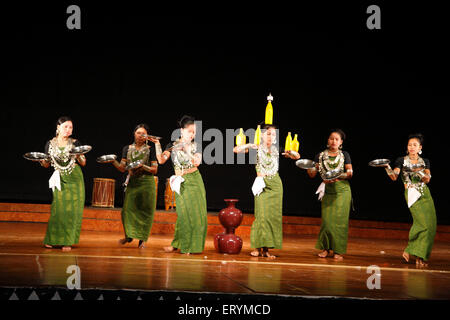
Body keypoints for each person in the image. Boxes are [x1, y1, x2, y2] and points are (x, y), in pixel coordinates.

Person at [233, 123, 300, 258]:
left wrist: (290, 152)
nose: (271, 137)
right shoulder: (256, 148)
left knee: (272, 218)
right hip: (262, 184)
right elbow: (236, 150)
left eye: (274, 134)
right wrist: (249, 145)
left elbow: (296, 156)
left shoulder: (277, 149)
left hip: (275, 185)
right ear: (261, 134)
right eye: (268, 133)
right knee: (261, 216)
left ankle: (267, 250)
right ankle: (257, 248)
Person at [154, 115, 207, 255]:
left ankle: (190, 246)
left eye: (194, 132)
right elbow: (161, 160)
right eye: (189, 131)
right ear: (182, 131)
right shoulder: (172, 145)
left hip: (194, 180)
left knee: (196, 214)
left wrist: (188, 151)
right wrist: (157, 144)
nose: (192, 134)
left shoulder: (196, 146)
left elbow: (197, 162)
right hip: (180, 181)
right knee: (183, 214)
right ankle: (178, 243)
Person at [383, 133, 436, 267]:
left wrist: (419, 171)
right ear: (407, 147)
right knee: (422, 224)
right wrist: (386, 167)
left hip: (425, 193)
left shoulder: (425, 161)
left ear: (420, 147)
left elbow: (427, 179)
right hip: (412, 193)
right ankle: (410, 250)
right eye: (409, 145)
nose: (412, 147)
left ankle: (421, 255)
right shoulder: (401, 160)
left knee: (430, 225)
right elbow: (394, 177)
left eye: (415, 145)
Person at [39, 116, 86, 252]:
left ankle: (67, 241)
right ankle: (53, 239)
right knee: (57, 209)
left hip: (75, 179)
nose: (68, 129)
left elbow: (83, 163)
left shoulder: (75, 143)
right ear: (58, 127)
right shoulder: (50, 144)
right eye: (65, 126)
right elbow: (46, 164)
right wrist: (41, 161)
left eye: (70, 127)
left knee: (72, 211)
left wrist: (78, 155)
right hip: (59, 178)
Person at [307, 129, 353, 261]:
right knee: (327, 221)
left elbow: (350, 173)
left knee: (340, 222)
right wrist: (309, 168)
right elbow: (312, 174)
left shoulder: (345, 155)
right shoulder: (320, 156)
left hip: (342, 191)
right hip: (328, 190)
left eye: (336, 139)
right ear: (328, 140)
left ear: (341, 142)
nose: (333, 141)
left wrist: (337, 176)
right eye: (331, 138)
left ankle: (338, 251)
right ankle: (326, 249)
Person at [110, 124, 158, 249]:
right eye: (138, 133)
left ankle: (142, 240)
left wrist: (143, 166)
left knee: (145, 212)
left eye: (143, 134)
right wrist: (112, 161)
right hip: (133, 183)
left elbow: (154, 169)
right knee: (127, 211)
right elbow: (122, 167)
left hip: (147, 184)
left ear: (147, 136)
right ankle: (129, 235)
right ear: (134, 134)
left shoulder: (150, 149)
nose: (141, 136)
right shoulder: (127, 148)